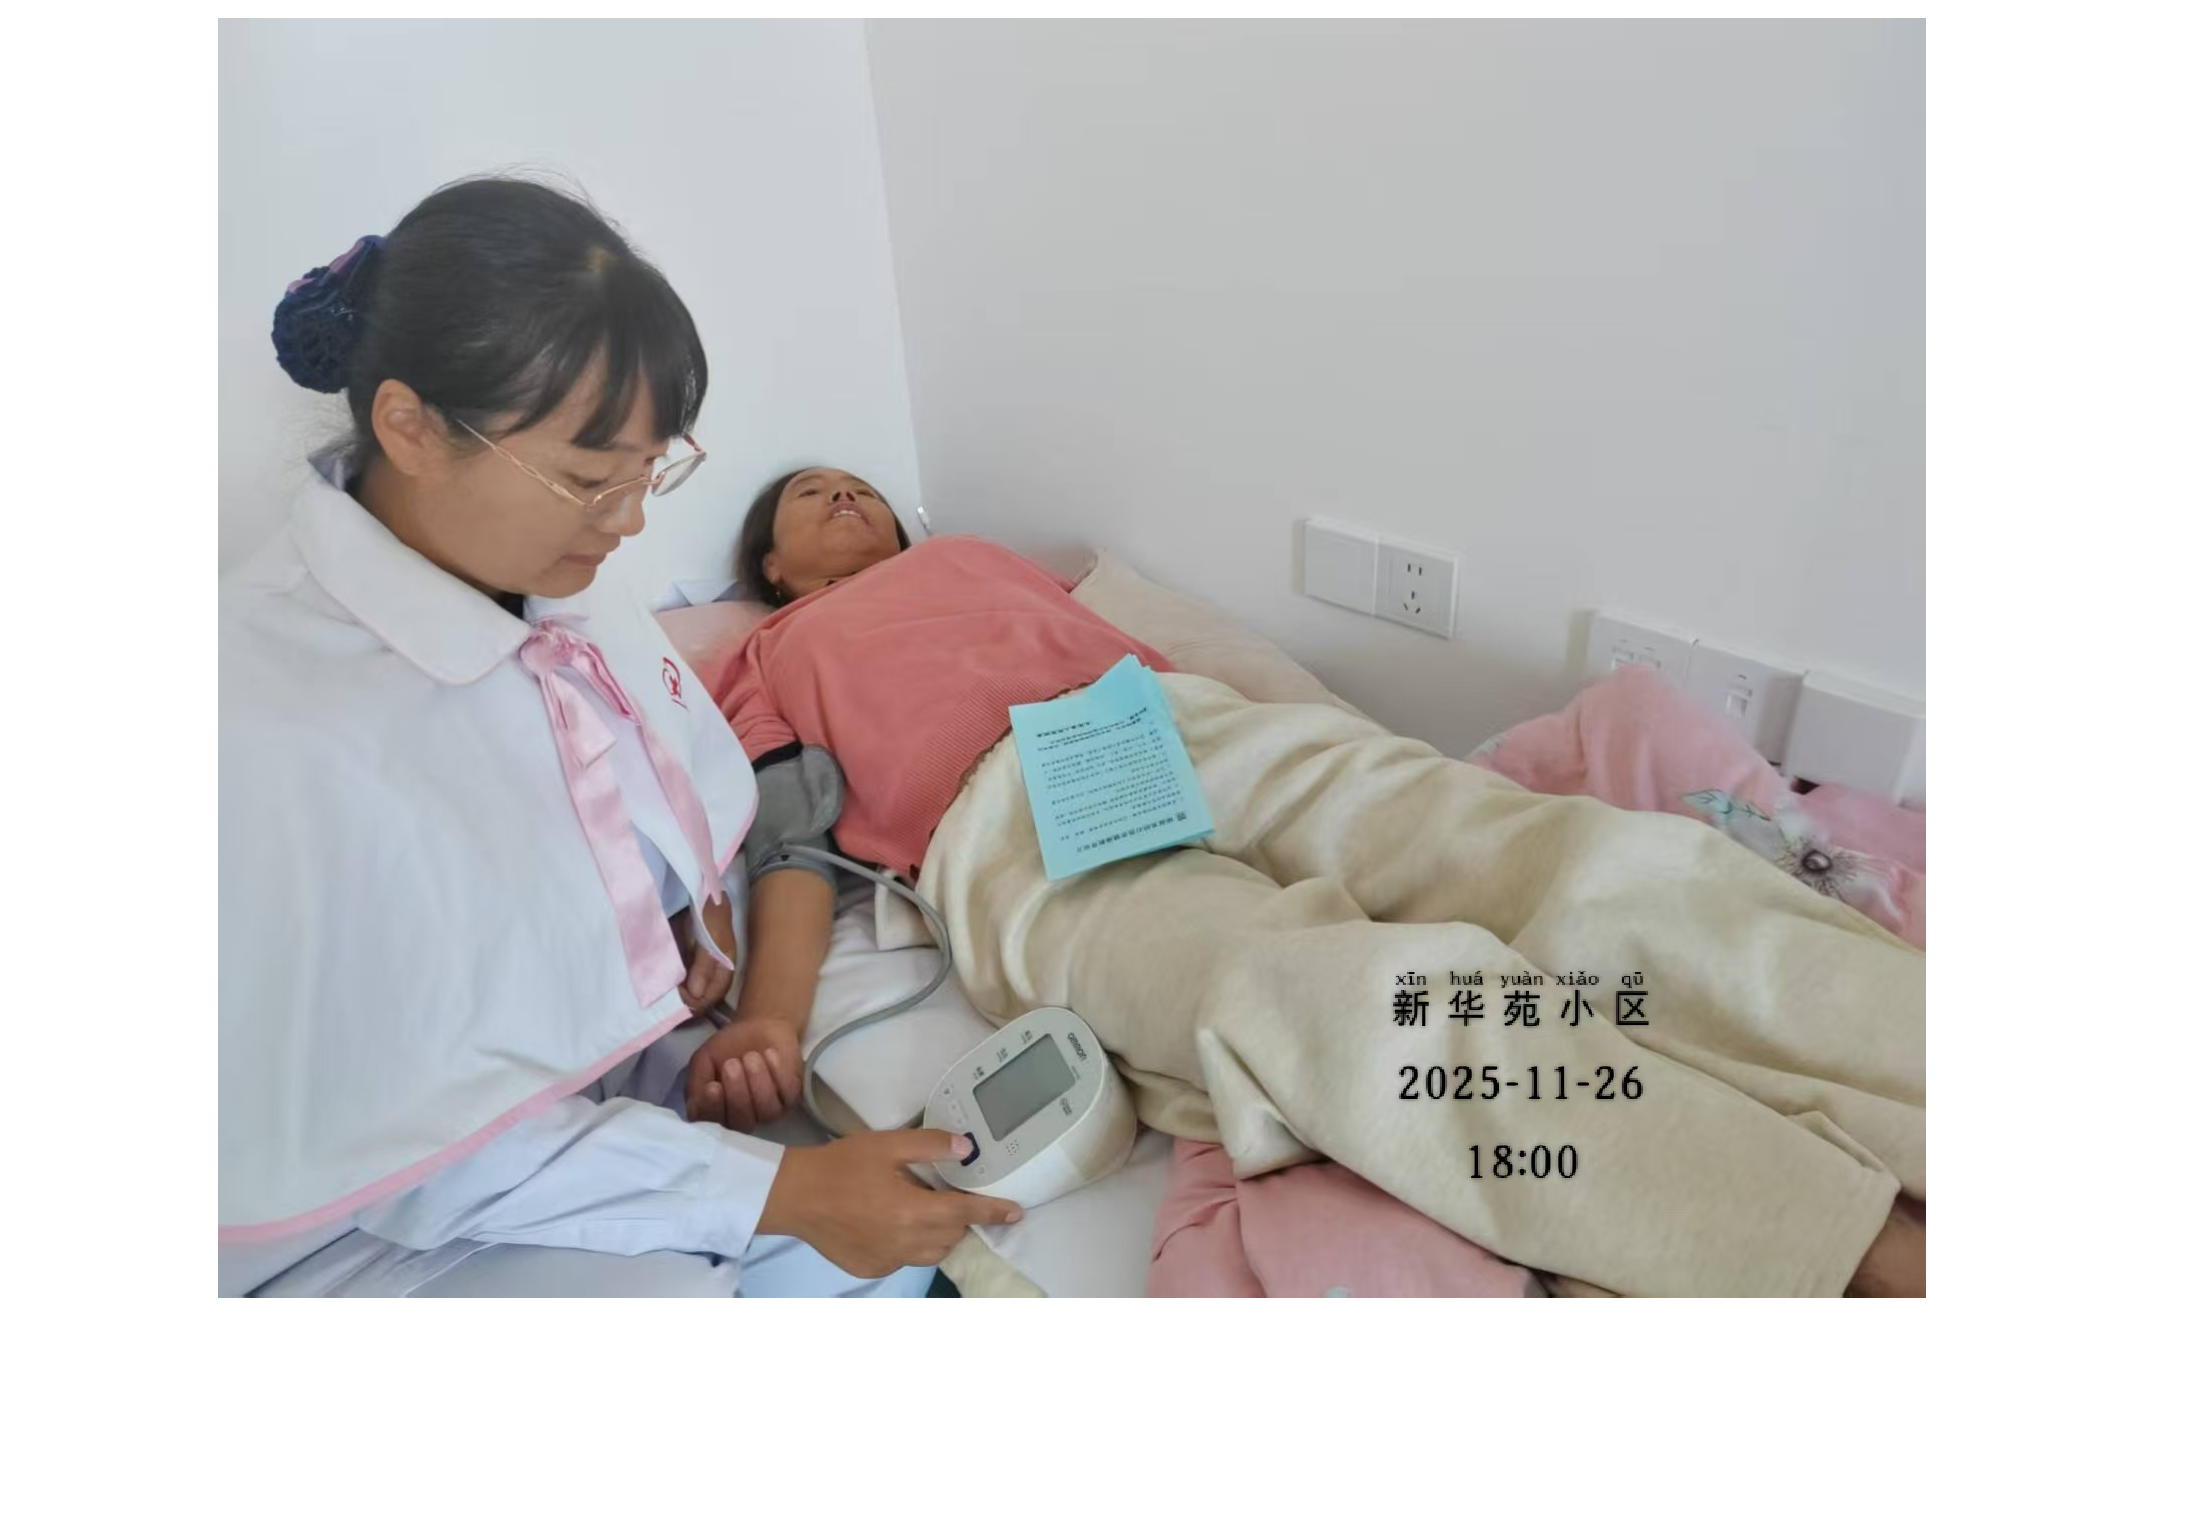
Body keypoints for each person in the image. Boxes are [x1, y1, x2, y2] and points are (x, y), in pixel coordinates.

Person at [701, 466, 1928, 1298]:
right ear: (773, 564)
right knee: (1317, 993)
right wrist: (770, 1015)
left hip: (1164, 726)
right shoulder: (767, 653)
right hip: (1003, 830)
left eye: (860, 485)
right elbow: (788, 841)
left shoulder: (978, 558)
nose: (846, 495)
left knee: (1550, 856)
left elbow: (1149, 653)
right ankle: (1837, 1247)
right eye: (813, 495)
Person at [217, 180, 1020, 1298]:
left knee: (903, 1241)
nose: (632, 519)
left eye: (652, 469)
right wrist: (779, 1192)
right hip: (374, 1220)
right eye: (590, 479)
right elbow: (401, 1139)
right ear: (410, 427)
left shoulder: (555, 579)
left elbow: (658, 784)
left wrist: (688, 907)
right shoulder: (267, 726)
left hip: (585, 1102)